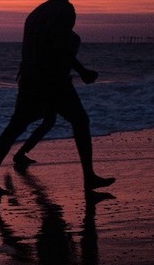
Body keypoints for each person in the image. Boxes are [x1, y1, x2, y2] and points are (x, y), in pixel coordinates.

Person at [0, 0, 115, 193]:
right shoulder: (64, 10)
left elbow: (35, 47)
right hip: (52, 79)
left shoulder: (36, 13)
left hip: (29, 78)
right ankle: (89, 177)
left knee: (16, 126)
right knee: (80, 121)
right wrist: (82, 71)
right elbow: (58, 46)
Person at [12, 32, 98, 166]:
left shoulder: (47, 37)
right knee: (69, 120)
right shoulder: (68, 38)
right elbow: (65, 57)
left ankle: (19, 154)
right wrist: (82, 72)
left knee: (46, 121)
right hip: (53, 85)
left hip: (45, 83)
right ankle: (15, 155)